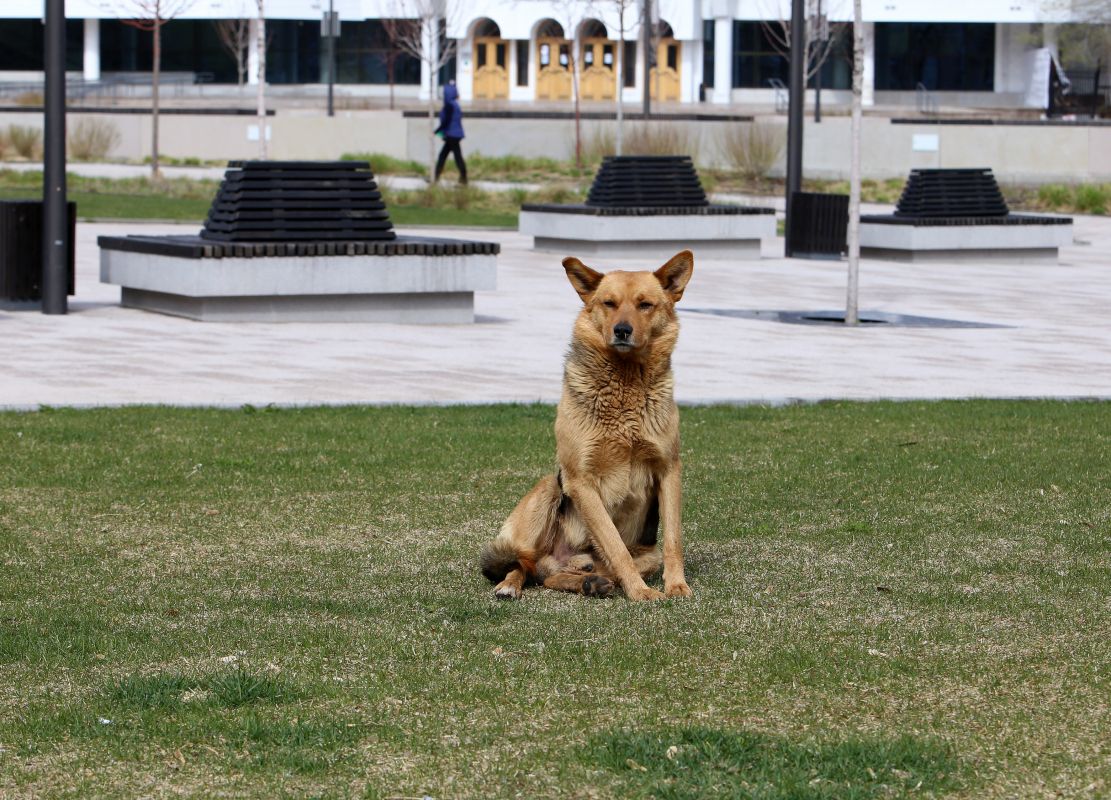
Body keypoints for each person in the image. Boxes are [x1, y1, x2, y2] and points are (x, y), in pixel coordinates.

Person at [433, 79, 467, 185]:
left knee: (446, 156)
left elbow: (445, 122)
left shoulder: (449, 106)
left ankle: (436, 178)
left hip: (452, 135)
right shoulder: (455, 105)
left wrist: (436, 131)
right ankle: (463, 178)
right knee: (452, 156)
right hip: (455, 135)